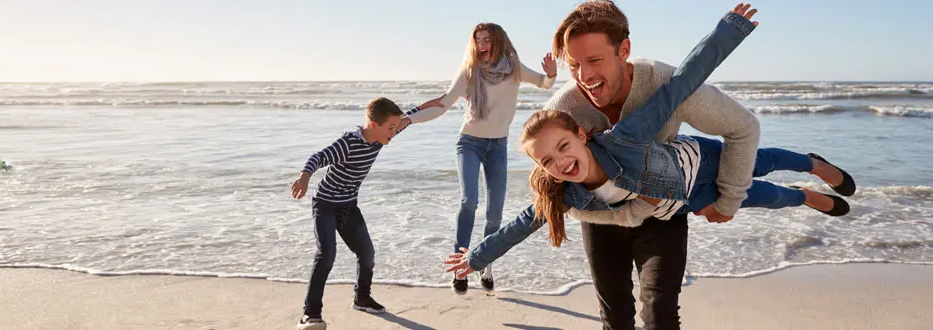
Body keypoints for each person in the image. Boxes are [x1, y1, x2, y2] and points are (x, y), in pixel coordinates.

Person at [448, 4, 845, 330]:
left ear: (584, 135)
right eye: (574, 65)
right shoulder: (562, 150)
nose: (584, 76)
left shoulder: (628, 130)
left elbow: (687, 84)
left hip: (697, 167)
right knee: (617, 317)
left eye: (594, 60)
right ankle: (801, 197)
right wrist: (476, 258)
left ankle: (810, 165)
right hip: (677, 202)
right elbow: (525, 220)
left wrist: (731, 29)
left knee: (760, 166)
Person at [398, 22, 558, 294]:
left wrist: (551, 74)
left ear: (498, 41)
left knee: (494, 215)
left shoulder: (513, 67)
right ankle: (459, 267)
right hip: (469, 143)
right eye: (478, 40)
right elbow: (444, 104)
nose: (482, 45)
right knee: (468, 201)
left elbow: (544, 83)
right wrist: (409, 120)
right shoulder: (469, 71)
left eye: (487, 40)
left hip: (498, 146)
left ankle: (485, 264)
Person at [291, 97, 441, 330]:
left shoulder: (382, 135)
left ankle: (362, 298)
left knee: (367, 253)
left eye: (395, 127)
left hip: (349, 207)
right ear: (374, 125)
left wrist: (430, 104)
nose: (395, 131)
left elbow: (406, 118)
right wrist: (304, 177)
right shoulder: (348, 143)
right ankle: (310, 315)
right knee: (327, 255)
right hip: (325, 205)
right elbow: (317, 157)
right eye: (391, 128)